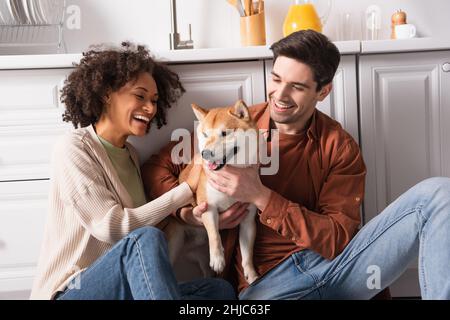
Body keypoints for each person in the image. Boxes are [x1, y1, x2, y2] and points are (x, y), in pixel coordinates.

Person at [141, 30, 450, 300]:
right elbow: (157, 167)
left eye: (297, 87)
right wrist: (189, 214)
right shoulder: (232, 125)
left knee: (440, 194)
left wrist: (260, 196)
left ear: (323, 91)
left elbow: (337, 238)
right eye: (276, 79)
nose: (281, 95)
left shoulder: (339, 146)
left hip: (339, 269)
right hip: (267, 285)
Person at [30, 42, 235, 300]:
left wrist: (190, 217)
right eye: (140, 96)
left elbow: (147, 222)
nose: (150, 109)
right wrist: (187, 189)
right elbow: (113, 227)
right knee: (144, 239)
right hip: (73, 290)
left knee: (219, 291)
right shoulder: (73, 148)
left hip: (124, 289)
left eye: (154, 101)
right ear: (106, 93)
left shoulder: (131, 156)